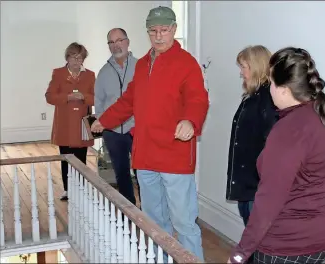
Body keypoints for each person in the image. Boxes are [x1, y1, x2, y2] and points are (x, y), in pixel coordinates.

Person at [91, 6, 209, 261]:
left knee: (184, 222)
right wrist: (104, 120)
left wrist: (190, 121)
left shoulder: (186, 63)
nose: (158, 36)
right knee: (154, 221)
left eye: (164, 30)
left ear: (174, 30)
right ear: (147, 32)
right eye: (153, 31)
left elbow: (198, 99)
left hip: (175, 156)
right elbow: (128, 101)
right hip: (145, 156)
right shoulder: (143, 65)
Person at [228, 47, 325, 264]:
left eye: (271, 83)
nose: (269, 89)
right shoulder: (322, 115)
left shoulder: (288, 131)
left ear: (284, 89)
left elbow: (268, 201)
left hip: (290, 243)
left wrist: (239, 254)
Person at [226, 45, 278, 226]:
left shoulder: (268, 100)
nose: (241, 73)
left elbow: (271, 146)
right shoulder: (253, 97)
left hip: (256, 186)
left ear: (256, 67)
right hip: (247, 184)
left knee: (257, 237)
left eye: (244, 67)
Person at [45, 42, 95, 201]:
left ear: (83, 59)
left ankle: (81, 188)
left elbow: (97, 99)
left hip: (82, 124)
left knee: (81, 158)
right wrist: (67, 97)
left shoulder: (90, 75)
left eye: (79, 58)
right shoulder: (58, 73)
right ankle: (67, 189)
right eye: (73, 57)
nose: (76, 61)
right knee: (66, 157)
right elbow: (50, 97)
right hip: (65, 124)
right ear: (67, 58)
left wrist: (84, 97)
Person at [94, 28, 138, 206]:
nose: (116, 45)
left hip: (137, 129)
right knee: (121, 173)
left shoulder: (140, 66)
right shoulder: (103, 72)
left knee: (143, 172)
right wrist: (104, 125)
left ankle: (149, 215)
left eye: (119, 40)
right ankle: (130, 210)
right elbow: (99, 102)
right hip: (113, 132)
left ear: (127, 41)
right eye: (111, 42)